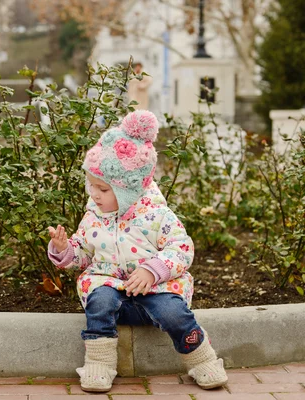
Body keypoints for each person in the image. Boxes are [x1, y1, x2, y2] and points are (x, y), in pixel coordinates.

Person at [47, 110, 227, 393]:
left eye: (103, 189)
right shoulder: (94, 215)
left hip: (156, 290)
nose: (94, 194)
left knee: (174, 313)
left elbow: (181, 248)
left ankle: (201, 359)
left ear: (128, 190)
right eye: (91, 185)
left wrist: (152, 270)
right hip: (111, 288)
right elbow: (83, 255)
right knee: (100, 301)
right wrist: (65, 249)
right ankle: (100, 363)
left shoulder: (157, 215)